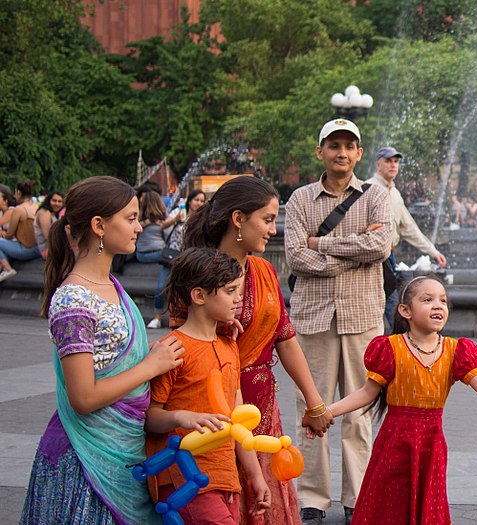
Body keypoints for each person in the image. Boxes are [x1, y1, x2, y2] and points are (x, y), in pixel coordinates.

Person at [19, 176, 185, 524]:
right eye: (130, 218)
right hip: (82, 463)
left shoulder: (109, 285)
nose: (139, 227)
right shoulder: (74, 299)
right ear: (98, 225)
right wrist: (150, 366)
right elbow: (83, 397)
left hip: (124, 451)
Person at [182, 175, 331, 524]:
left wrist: (314, 401)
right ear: (238, 219)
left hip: (261, 404)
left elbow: (285, 336)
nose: (273, 230)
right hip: (213, 408)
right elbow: (187, 345)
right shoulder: (197, 274)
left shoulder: (263, 270)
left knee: (268, 498)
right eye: (266, 220)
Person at [325, 275, 477, 525]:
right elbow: (366, 393)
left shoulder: (455, 351)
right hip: (394, 443)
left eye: (443, 300)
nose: (438, 305)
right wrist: (328, 411)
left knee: (428, 506)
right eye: (427, 299)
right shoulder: (390, 347)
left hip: (431, 443)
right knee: (389, 504)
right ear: (405, 311)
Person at [284, 119, 393, 525]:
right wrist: (352, 252)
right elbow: (295, 256)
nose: (341, 153)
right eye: (333, 146)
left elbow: (380, 246)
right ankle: (311, 497)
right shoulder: (300, 199)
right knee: (311, 408)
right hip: (313, 317)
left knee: (359, 411)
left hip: (363, 316)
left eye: (349, 146)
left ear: (359, 153)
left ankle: (357, 497)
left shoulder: (375, 196)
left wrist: (321, 244)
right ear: (320, 152)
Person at [145, 247, 271, 523]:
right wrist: (182, 417)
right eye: (229, 291)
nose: (238, 299)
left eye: (238, 290)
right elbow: (150, 417)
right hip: (185, 477)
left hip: (224, 475)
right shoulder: (173, 349)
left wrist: (255, 475)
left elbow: (238, 421)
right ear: (199, 295)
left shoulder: (229, 345)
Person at [367, 146, 447, 331]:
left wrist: (433, 252)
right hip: (372, 255)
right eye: (388, 161)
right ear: (378, 164)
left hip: (389, 255)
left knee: (389, 298)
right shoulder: (368, 188)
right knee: (389, 298)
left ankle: (398, 340)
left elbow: (409, 227)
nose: (393, 165)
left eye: (395, 161)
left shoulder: (394, 193)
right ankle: (402, 339)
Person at [147, 189, 206, 329]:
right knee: (162, 286)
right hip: (173, 256)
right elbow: (162, 225)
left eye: (202, 201)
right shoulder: (179, 212)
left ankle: (184, 319)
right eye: (196, 200)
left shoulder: (202, 217)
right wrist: (176, 219)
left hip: (191, 258)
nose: (199, 203)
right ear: (189, 200)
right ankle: (157, 317)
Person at [0, 179, 40, 282]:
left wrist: (4, 235)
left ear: (18, 192)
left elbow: (10, 234)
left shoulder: (19, 209)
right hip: (37, 248)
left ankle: (8, 269)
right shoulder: (35, 207)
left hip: (26, 249)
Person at [34, 190, 64, 259]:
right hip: (45, 249)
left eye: (60, 201)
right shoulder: (44, 212)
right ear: (48, 200)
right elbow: (47, 236)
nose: (57, 203)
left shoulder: (53, 213)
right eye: (54, 200)